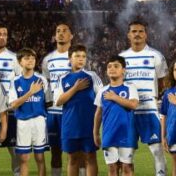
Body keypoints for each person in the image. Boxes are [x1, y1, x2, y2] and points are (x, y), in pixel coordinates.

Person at [119, 20, 168, 176]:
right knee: (127, 155)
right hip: (128, 113)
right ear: (128, 35)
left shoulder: (155, 56)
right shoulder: (121, 58)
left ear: (146, 34)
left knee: (157, 150)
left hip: (149, 111)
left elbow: (162, 82)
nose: (137, 34)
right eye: (134, 31)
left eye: (141, 31)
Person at [56, 44, 103, 176]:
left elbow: (102, 98)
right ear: (70, 58)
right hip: (70, 125)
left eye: (83, 56)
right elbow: (58, 101)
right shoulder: (63, 78)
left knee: (90, 157)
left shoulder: (92, 76)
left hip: (88, 125)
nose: (81, 59)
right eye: (77, 56)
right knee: (72, 159)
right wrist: (75, 88)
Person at [0, 24, 23, 176]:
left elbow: (22, 82)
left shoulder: (14, 58)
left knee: (15, 151)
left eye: (5, 34)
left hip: (10, 112)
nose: (2, 37)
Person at [93, 56, 140, 176]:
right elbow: (98, 114)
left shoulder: (130, 87)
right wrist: (96, 133)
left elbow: (133, 105)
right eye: (109, 67)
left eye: (116, 66)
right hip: (109, 134)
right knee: (112, 169)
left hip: (127, 134)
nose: (112, 69)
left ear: (123, 70)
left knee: (127, 168)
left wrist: (115, 97)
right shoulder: (102, 91)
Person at [9, 49, 49, 176]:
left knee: (40, 157)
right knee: (24, 158)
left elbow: (48, 101)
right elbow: (13, 104)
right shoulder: (15, 81)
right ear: (20, 62)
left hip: (39, 121)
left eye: (32, 58)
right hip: (23, 122)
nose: (30, 60)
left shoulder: (42, 79)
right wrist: (30, 92)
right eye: (27, 58)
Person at [42, 23, 74, 176]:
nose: (61, 34)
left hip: (71, 111)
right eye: (58, 31)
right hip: (53, 112)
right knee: (55, 151)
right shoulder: (48, 60)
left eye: (64, 31)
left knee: (73, 151)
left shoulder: (76, 57)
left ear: (71, 36)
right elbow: (46, 85)